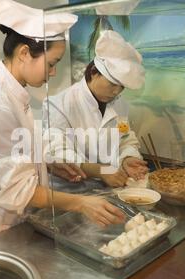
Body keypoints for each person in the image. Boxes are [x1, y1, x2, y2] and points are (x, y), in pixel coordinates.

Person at [0, 0, 125, 250]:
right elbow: (19, 191)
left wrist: (49, 165)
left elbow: (11, 158)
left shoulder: (11, 93)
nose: (53, 73)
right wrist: (81, 203)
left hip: (7, 225)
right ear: (24, 53)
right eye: (52, 63)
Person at [46, 30, 149, 188]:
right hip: (69, 191)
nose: (116, 92)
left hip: (105, 189)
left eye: (121, 87)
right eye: (112, 84)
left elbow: (124, 139)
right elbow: (58, 154)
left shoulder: (119, 104)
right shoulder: (59, 104)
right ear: (94, 72)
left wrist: (127, 158)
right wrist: (101, 171)